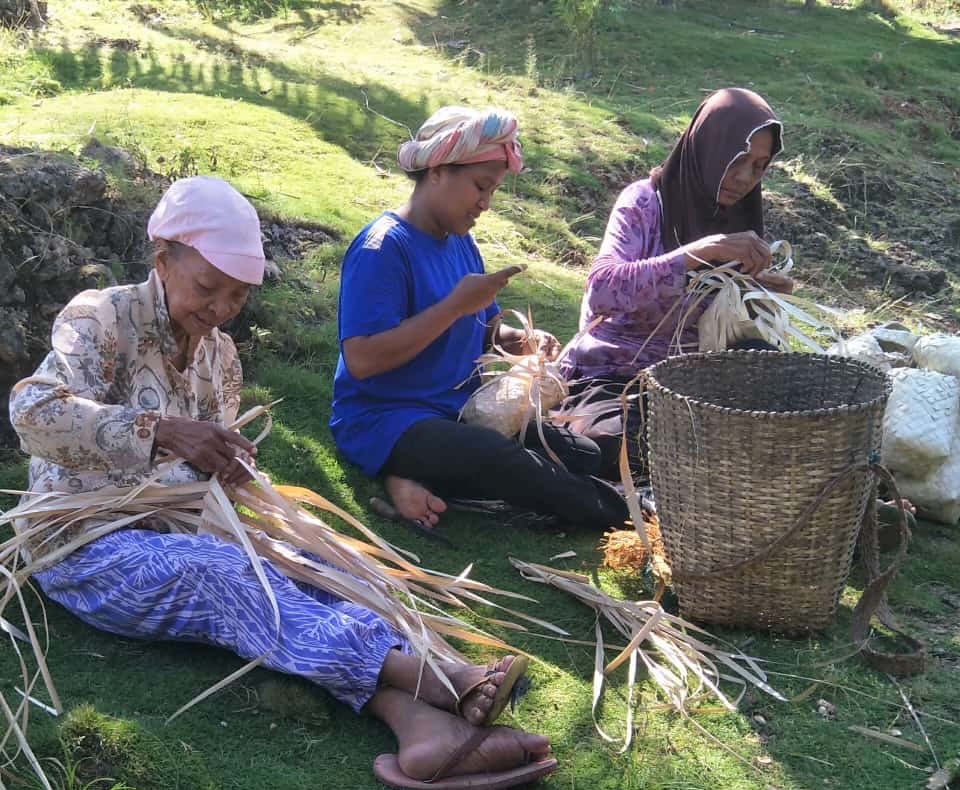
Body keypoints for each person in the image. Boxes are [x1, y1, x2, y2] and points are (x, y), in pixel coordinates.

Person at [9, 176, 557, 789]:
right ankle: (437, 680)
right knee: (222, 575)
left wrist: (232, 470)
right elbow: (31, 414)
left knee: (318, 565)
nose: (219, 309)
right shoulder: (100, 317)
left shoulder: (220, 357)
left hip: (188, 524)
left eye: (237, 297)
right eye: (208, 287)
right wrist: (161, 429)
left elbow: (209, 467)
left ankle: (423, 728)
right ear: (163, 259)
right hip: (85, 542)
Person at [330, 106, 629, 532]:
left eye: (493, 190)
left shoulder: (460, 242)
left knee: (583, 453)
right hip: (388, 421)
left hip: (458, 412)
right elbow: (362, 359)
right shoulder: (382, 248)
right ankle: (624, 514)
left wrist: (519, 339)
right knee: (496, 457)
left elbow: (483, 330)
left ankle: (419, 477)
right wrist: (453, 304)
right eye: (480, 186)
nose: (486, 203)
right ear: (437, 171)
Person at [558, 88, 791, 478]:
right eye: (737, 160)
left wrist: (757, 293)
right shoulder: (645, 203)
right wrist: (702, 252)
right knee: (618, 446)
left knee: (776, 390)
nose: (745, 178)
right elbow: (602, 290)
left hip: (694, 382)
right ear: (709, 148)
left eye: (759, 166)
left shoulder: (737, 219)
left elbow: (720, 318)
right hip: (619, 379)